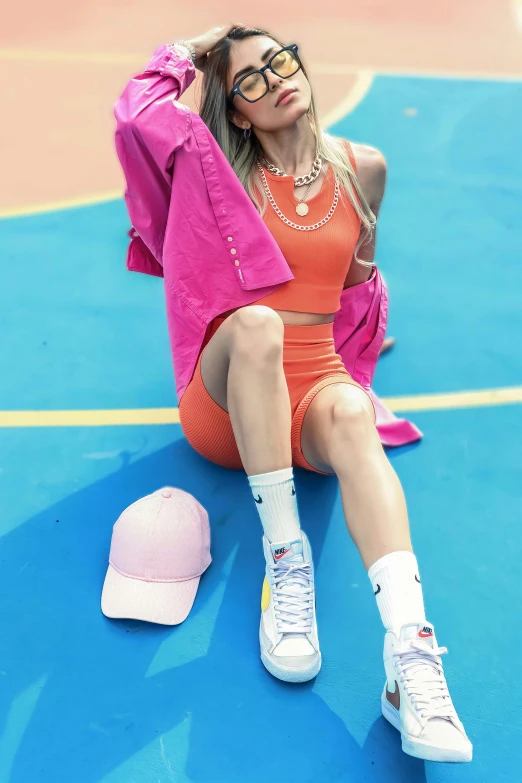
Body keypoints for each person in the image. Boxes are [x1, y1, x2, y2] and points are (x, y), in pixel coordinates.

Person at [114, 24, 471, 763]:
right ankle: (287, 561)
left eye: (279, 60)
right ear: (237, 112)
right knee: (255, 325)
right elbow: (135, 118)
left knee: (346, 409)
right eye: (248, 79)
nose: (274, 77)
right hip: (226, 401)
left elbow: (353, 285)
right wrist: (190, 51)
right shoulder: (215, 172)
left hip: (307, 395)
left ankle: (412, 658)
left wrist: (363, 356)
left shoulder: (361, 168)